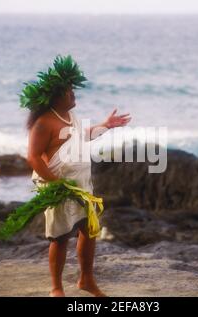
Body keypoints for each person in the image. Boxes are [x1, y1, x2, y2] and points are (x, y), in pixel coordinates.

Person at [23, 56, 131, 297]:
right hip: (59, 186)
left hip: (81, 185)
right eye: (68, 90)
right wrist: (55, 184)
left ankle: (86, 279)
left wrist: (107, 125)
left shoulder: (68, 117)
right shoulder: (43, 123)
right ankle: (56, 288)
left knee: (89, 230)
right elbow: (33, 157)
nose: (73, 94)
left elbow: (84, 136)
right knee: (60, 237)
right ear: (56, 96)